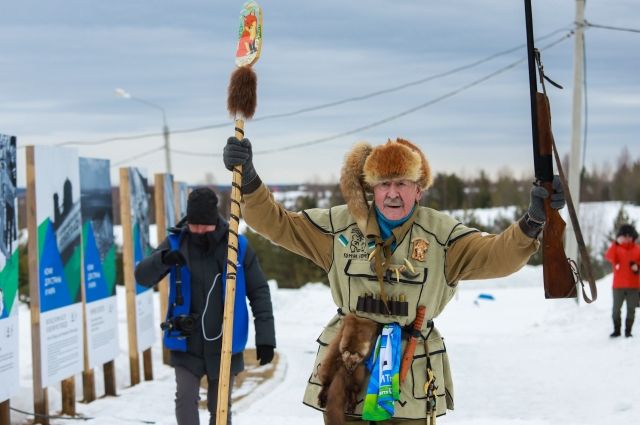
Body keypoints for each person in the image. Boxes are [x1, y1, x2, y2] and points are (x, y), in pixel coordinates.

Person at [223, 136, 566, 424]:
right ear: (372, 189)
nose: (392, 193)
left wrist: (532, 222)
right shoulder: (338, 227)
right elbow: (278, 224)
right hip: (350, 368)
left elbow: (496, 255)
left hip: (411, 375)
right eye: (384, 184)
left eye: (402, 183)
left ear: (419, 190)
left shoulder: (442, 236)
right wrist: (250, 180)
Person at [134, 187, 276, 425]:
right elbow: (141, 277)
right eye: (194, 224)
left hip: (225, 344)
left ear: (214, 219)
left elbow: (259, 292)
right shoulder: (176, 242)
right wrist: (162, 260)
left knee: (219, 405)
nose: (198, 230)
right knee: (185, 398)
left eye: (204, 225)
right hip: (186, 341)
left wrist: (266, 338)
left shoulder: (237, 247)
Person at [604, 223, 640, 338]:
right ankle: (616, 330)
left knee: (631, 310)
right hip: (618, 286)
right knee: (615, 310)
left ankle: (628, 331)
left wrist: (637, 267)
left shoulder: (637, 249)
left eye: (629, 236)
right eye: (625, 235)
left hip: (634, 286)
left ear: (633, 236)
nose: (627, 238)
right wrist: (615, 243)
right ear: (621, 236)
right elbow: (608, 256)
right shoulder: (616, 248)